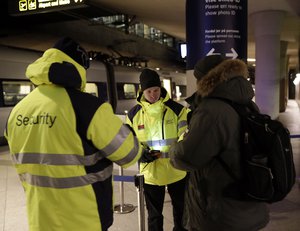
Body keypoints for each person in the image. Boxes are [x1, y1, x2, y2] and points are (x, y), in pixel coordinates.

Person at [4, 37, 143, 231]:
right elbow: (129, 153)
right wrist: (127, 131)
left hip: (40, 219)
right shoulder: (88, 107)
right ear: (79, 68)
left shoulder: (17, 111)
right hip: (85, 220)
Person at [169, 55, 270, 231]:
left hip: (221, 212)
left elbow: (186, 157)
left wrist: (174, 149)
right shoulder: (248, 104)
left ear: (204, 79)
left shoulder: (211, 110)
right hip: (250, 204)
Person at [126, 68, 189, 231]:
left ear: (161, 88)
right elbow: (128, 140)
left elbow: (185, 137)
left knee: (181, 212)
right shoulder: (133, 115)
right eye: (149, 91)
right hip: (150, 172)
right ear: (142, 91)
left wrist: (172, 154)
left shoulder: (178, 110)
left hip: (177, 170)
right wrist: (141, 153)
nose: (153, 94)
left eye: (156, 90)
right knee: (154, 215)